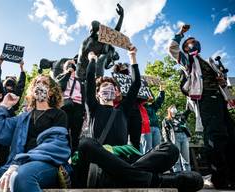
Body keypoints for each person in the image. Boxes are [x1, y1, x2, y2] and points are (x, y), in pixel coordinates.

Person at [72, 48, 203, 192]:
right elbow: (90, 80)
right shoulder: (93, 107)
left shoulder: (122, 110)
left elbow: (136, 85)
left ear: (117, 92)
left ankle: (125, 178)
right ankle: (157, 180)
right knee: (86, 144)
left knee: (170, 149)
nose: (108, 88)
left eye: (111, 87)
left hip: (122, 163)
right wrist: (92, 59)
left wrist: (133, 57)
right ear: (97, 94)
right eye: (104, 87)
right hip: (97, 166)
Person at [169, 24, 235, 189]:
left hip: (219, 99)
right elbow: (171, 48)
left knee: (230, 135)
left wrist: (221, 80)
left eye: (195, 41)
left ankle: (231, 174)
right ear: (186, 47)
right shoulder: (188, 60)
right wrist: (181, 33)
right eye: (190, 42)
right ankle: (219, 178)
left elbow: (220, 81)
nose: (194, 43)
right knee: (215, 136)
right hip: (206, 100)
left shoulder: (208, 61)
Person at [0, 74, 71, 192]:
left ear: (52, 91)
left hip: (45, 165)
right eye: (37, 83)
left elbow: (54, 145)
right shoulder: (22, 117)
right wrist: (4, 106)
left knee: (20, 176)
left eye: (45, 83)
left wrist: (18, 164)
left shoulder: (59, 114)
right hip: (13, 167)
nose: (40, 85)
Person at [113, 62, 149, 150]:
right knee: (122, 139)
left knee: (136, 141)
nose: (125, 69)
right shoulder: (114, 81)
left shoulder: (134, 80)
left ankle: (135, 160)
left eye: (126, 67)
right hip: (122, 111)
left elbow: (139, 96)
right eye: (122, 67)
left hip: (135, 112)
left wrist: (146, 98)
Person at [56, 59, 85, 153]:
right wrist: (68, 73)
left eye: (73, 65)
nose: (71, 66)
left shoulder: (79, 81)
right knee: (64, 131)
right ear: (65, 67)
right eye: (69, 64)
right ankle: (63, 153)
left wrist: (84, 110)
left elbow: (83, 96)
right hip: (66, 106)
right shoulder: (61, 76)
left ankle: (74, 154)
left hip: (78, 107)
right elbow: (61, 87)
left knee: (76, 133)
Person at [162, 105, 191, 172]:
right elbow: (164, 132)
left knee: (186, 157)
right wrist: (167, 142)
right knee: (176, 157)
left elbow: (188, 111)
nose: (174, 109)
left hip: (184, 136)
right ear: (169, 110)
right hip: (174, 136)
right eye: (172, 108)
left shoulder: (181, 117)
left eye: (175, 108)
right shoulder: (166, 119)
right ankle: (177, 174)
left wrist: (189, 100)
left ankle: (188, 174)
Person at [141, 84, 165, 154]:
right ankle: (146, 164)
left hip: (156, 128)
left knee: (157, 150)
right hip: (146, 128)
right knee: (147, 150)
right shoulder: (140, 107)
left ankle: (156, 164)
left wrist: (161, 91)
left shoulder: (152, 107)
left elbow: (159, 101)